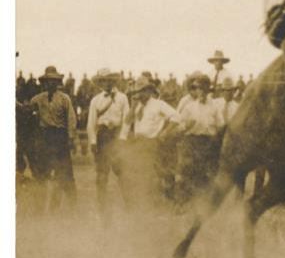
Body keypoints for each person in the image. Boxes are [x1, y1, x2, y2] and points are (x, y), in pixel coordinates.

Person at [28, 65, 78, 210]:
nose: (50, 83)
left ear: (57, 82)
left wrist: (71, 139)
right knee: (42, 174)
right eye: (48, 81)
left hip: (60, 138)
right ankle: (39, 208)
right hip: (44, 139)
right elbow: (28, 116)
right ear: (44, 83)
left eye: (53, 81)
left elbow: (71, 120)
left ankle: (71, 207)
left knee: (65, 174)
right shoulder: (36, 100)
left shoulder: (64, 99)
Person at [127, 78, 181, 203]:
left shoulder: (158, 104)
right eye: (137, 91)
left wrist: (165, 132)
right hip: (139, 143)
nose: (139, 94)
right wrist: (133, 107)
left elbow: (176, 117)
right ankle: (147, 201)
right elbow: (127, 122)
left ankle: (162, 200)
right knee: (141, 173)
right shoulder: (137, 106)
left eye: (142, 91)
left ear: (149, 91)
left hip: (152, 143)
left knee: (154, 173)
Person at [86, 68, 131, 214]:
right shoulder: (96, 100)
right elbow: (91, 123)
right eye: (102, 81)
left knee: (122, 173)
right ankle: (102, 207)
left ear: (113, 81)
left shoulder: (123, 98)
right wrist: (93, 141)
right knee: (102, 173)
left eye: (108, 80)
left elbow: (127, 120)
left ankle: (130, 205)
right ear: (100, 83)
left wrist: (123, 138)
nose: (105, 83)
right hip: (102, 136)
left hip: (117, 136)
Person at [177, 73, 225, 201]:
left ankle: (204, 203)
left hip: (208, 143)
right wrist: (186, 126)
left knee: (207, 176)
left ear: (208, 89)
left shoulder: (215, 107)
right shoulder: (189, 107)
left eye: (204, 88)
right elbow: (179, 126)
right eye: (198, 88)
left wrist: (216, 139)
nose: (201, 91)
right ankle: (185, 202)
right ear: (196, 90)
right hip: (192, 142)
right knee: (188, 173)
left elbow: (221, 126)